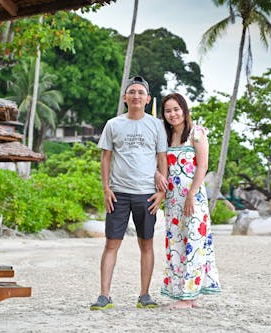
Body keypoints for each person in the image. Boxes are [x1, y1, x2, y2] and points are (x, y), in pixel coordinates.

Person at [90, 76, 168, 310]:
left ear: (147, 99)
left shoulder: (156, 125)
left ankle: (144, 295)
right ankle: (104, 295)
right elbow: (106, 158)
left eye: (140, 93)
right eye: (132, 92)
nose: (136, 96)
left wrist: (161, 193)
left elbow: (162, 158)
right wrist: (106, 189)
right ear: (125, 98)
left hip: (146, 195)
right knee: (111, 244)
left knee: (146, 244)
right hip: (119, 194)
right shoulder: (114, 124)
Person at [159, 93, 221, 309]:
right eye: (168, 111)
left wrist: (191, 194)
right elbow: (162, 168)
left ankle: (190, 296)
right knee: (176, 243)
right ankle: (182, 294)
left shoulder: (197, 133)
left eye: (176, 109)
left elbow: (202, 167)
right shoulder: (165, 138)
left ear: (184, 110)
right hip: (172, 200)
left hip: (193, 198)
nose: (172, 114)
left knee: (194, 243)